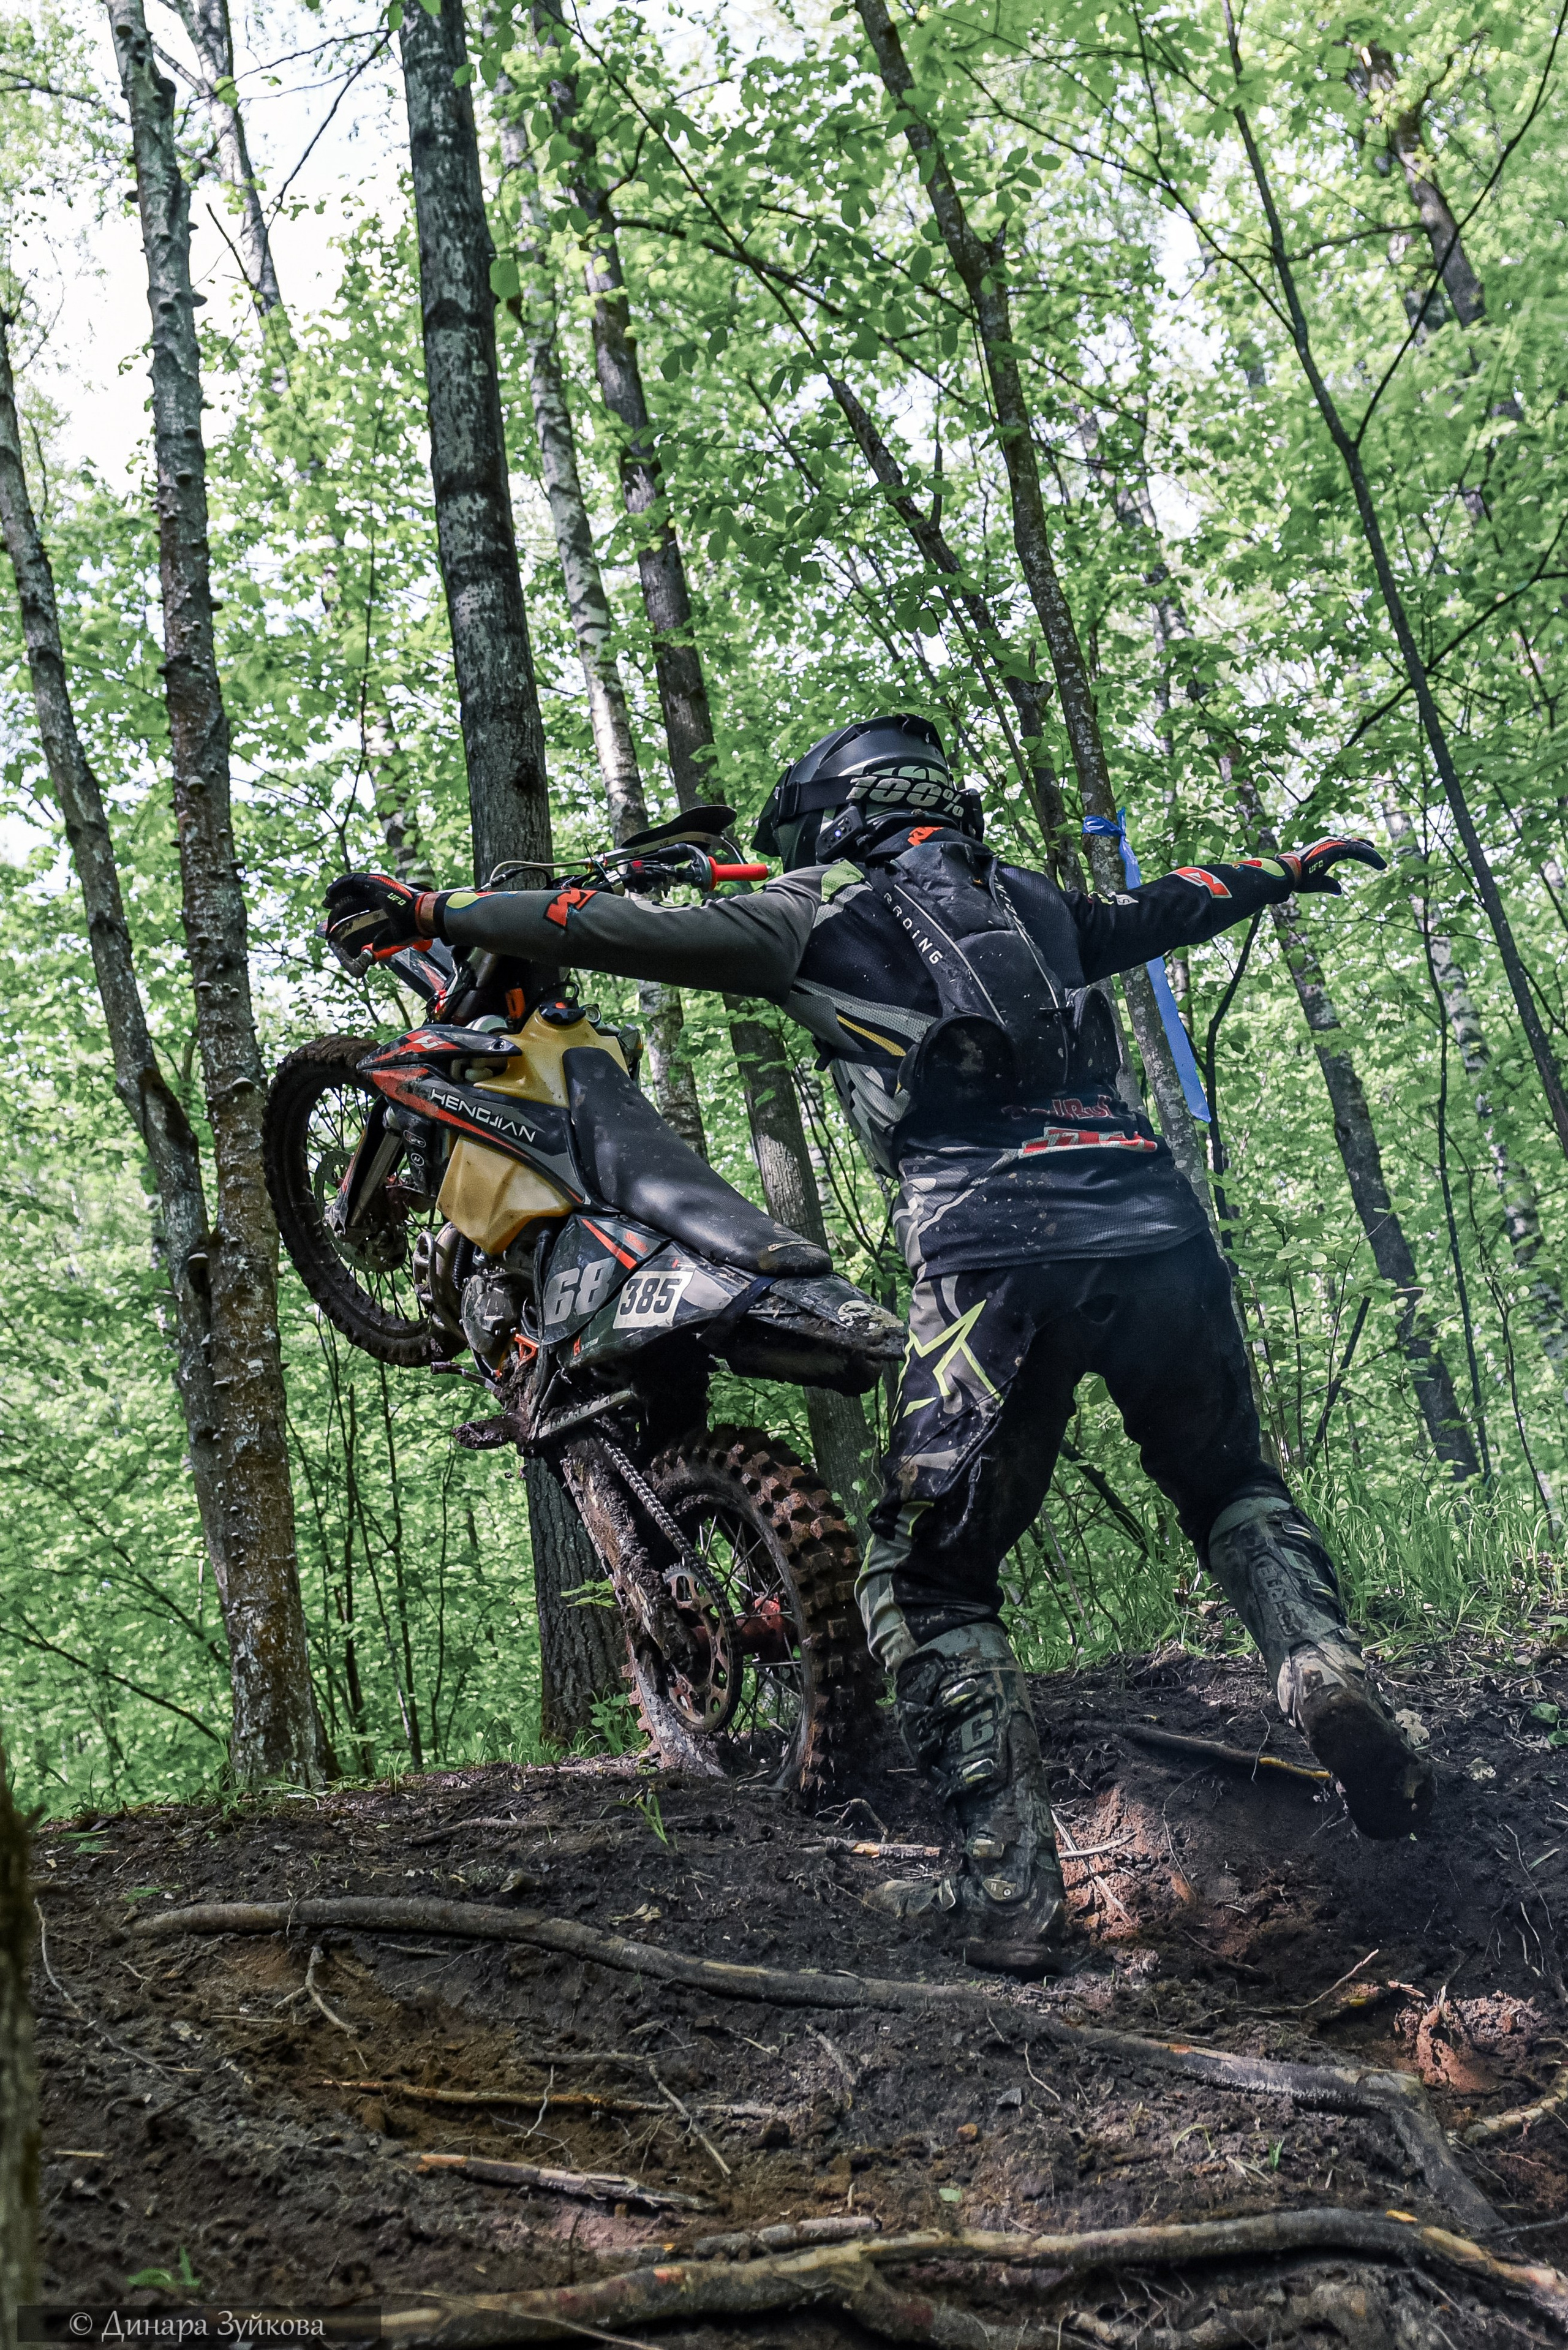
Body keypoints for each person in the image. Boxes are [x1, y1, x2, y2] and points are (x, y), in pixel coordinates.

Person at [323, 714, 1435, 1978]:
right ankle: (1325, 1673)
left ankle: (1005, 1889)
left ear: (836, 818)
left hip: (989, 1249)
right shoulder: (1033, 901)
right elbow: (1172, 902)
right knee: (1228, 1482)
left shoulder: (812, 914)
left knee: (924, 1579)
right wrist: (1286, 868)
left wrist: (431, 907)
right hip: (1155, 1220)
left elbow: (596, 926)